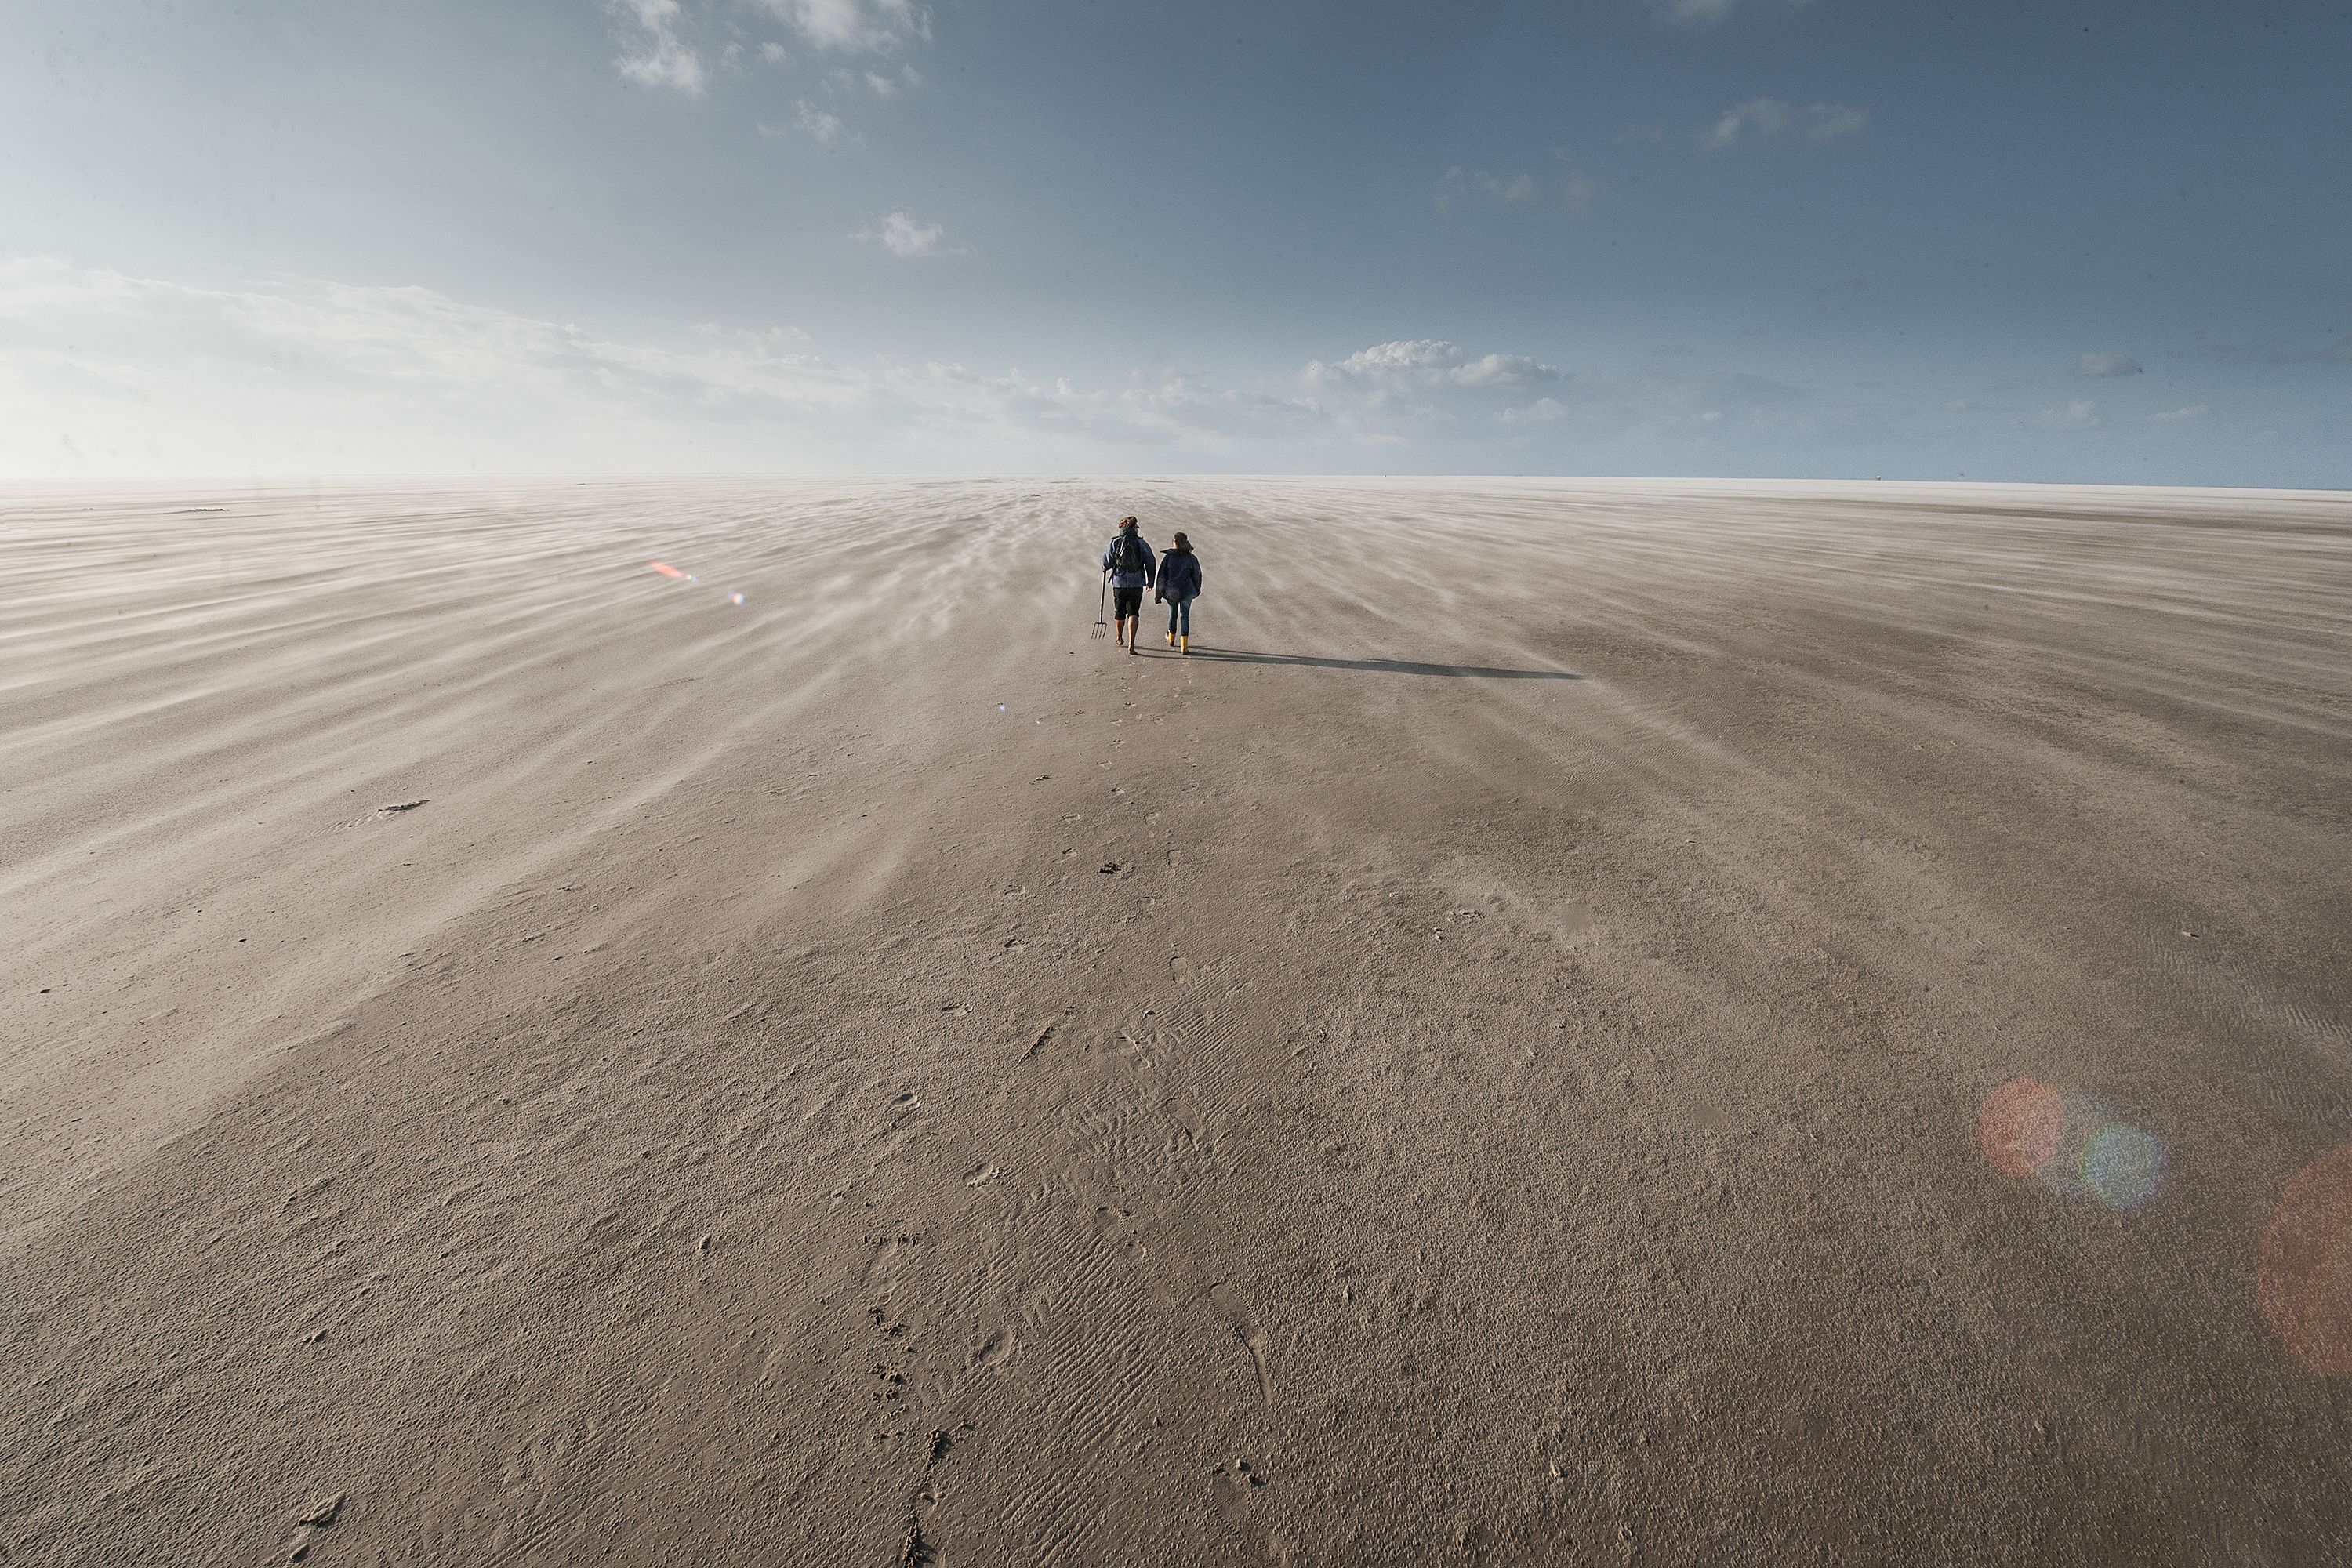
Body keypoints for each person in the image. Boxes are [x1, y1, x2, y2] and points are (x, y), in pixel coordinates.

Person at [1101, 515, 1155, 655]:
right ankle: (1132, 644)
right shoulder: (1142, 544)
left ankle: (1119, 637)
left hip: (1119, 582)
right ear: (1134, 528)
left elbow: (1106, 562)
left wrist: (1104, 568)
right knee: (1133, 613)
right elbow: (1150, 561)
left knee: (1119, 612)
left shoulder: (1115, 542)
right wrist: (1150, 581)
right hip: (1137, 583)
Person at [1155, 531, 1203, 655]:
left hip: (1172, 592)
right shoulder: (1191, 558)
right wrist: (1196, 590)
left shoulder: (1169, 558)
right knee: (1185, 616)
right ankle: (1184, 646)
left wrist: (1158, 595)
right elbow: (1197, 575)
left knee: (1173, 615)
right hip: (1187, 592)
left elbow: (1161, 577)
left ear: (1175, 543)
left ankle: (1171, 639)